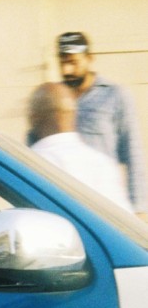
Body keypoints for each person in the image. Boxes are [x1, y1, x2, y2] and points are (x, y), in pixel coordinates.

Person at [56, 32, 147, 215]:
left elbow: (133, 152)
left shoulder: (114, 95)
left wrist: (139, 208)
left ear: (89, 59)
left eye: (73, 62)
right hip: (64, 205)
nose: (67, 70)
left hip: (105, 206)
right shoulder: (53, 98)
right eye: (62, 63)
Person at [28, 82, 132, 212]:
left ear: (34, 118)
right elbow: (123, 219)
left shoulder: (29, 166)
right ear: (73, 114)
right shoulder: (103, 164)